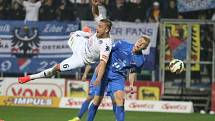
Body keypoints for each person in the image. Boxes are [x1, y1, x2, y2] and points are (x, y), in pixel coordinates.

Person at [18, 0, 113, 86]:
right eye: (98, 25)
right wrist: (95, 6)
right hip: (80, 44)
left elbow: (103, 63)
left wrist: (98, 78)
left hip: (81, 59)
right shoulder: (101, 28)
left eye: (100, 27)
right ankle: (85, 33)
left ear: (107, 29)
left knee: (56, 68)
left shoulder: (106, 45)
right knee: (74, 34)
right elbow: (96, 14)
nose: (97, 28)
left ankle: (30, 77)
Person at [70, 35, 150, 121]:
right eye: (139, 41)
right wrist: (100, 66)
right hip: (105, 72)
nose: (139, 44)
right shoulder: (122, 44)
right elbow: (106, 52)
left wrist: (131, 84)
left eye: (142, 44)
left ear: (144, 48)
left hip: (118, 77)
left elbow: (133, 71)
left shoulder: (140, 60)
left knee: (120, 100)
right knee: (97, 101)